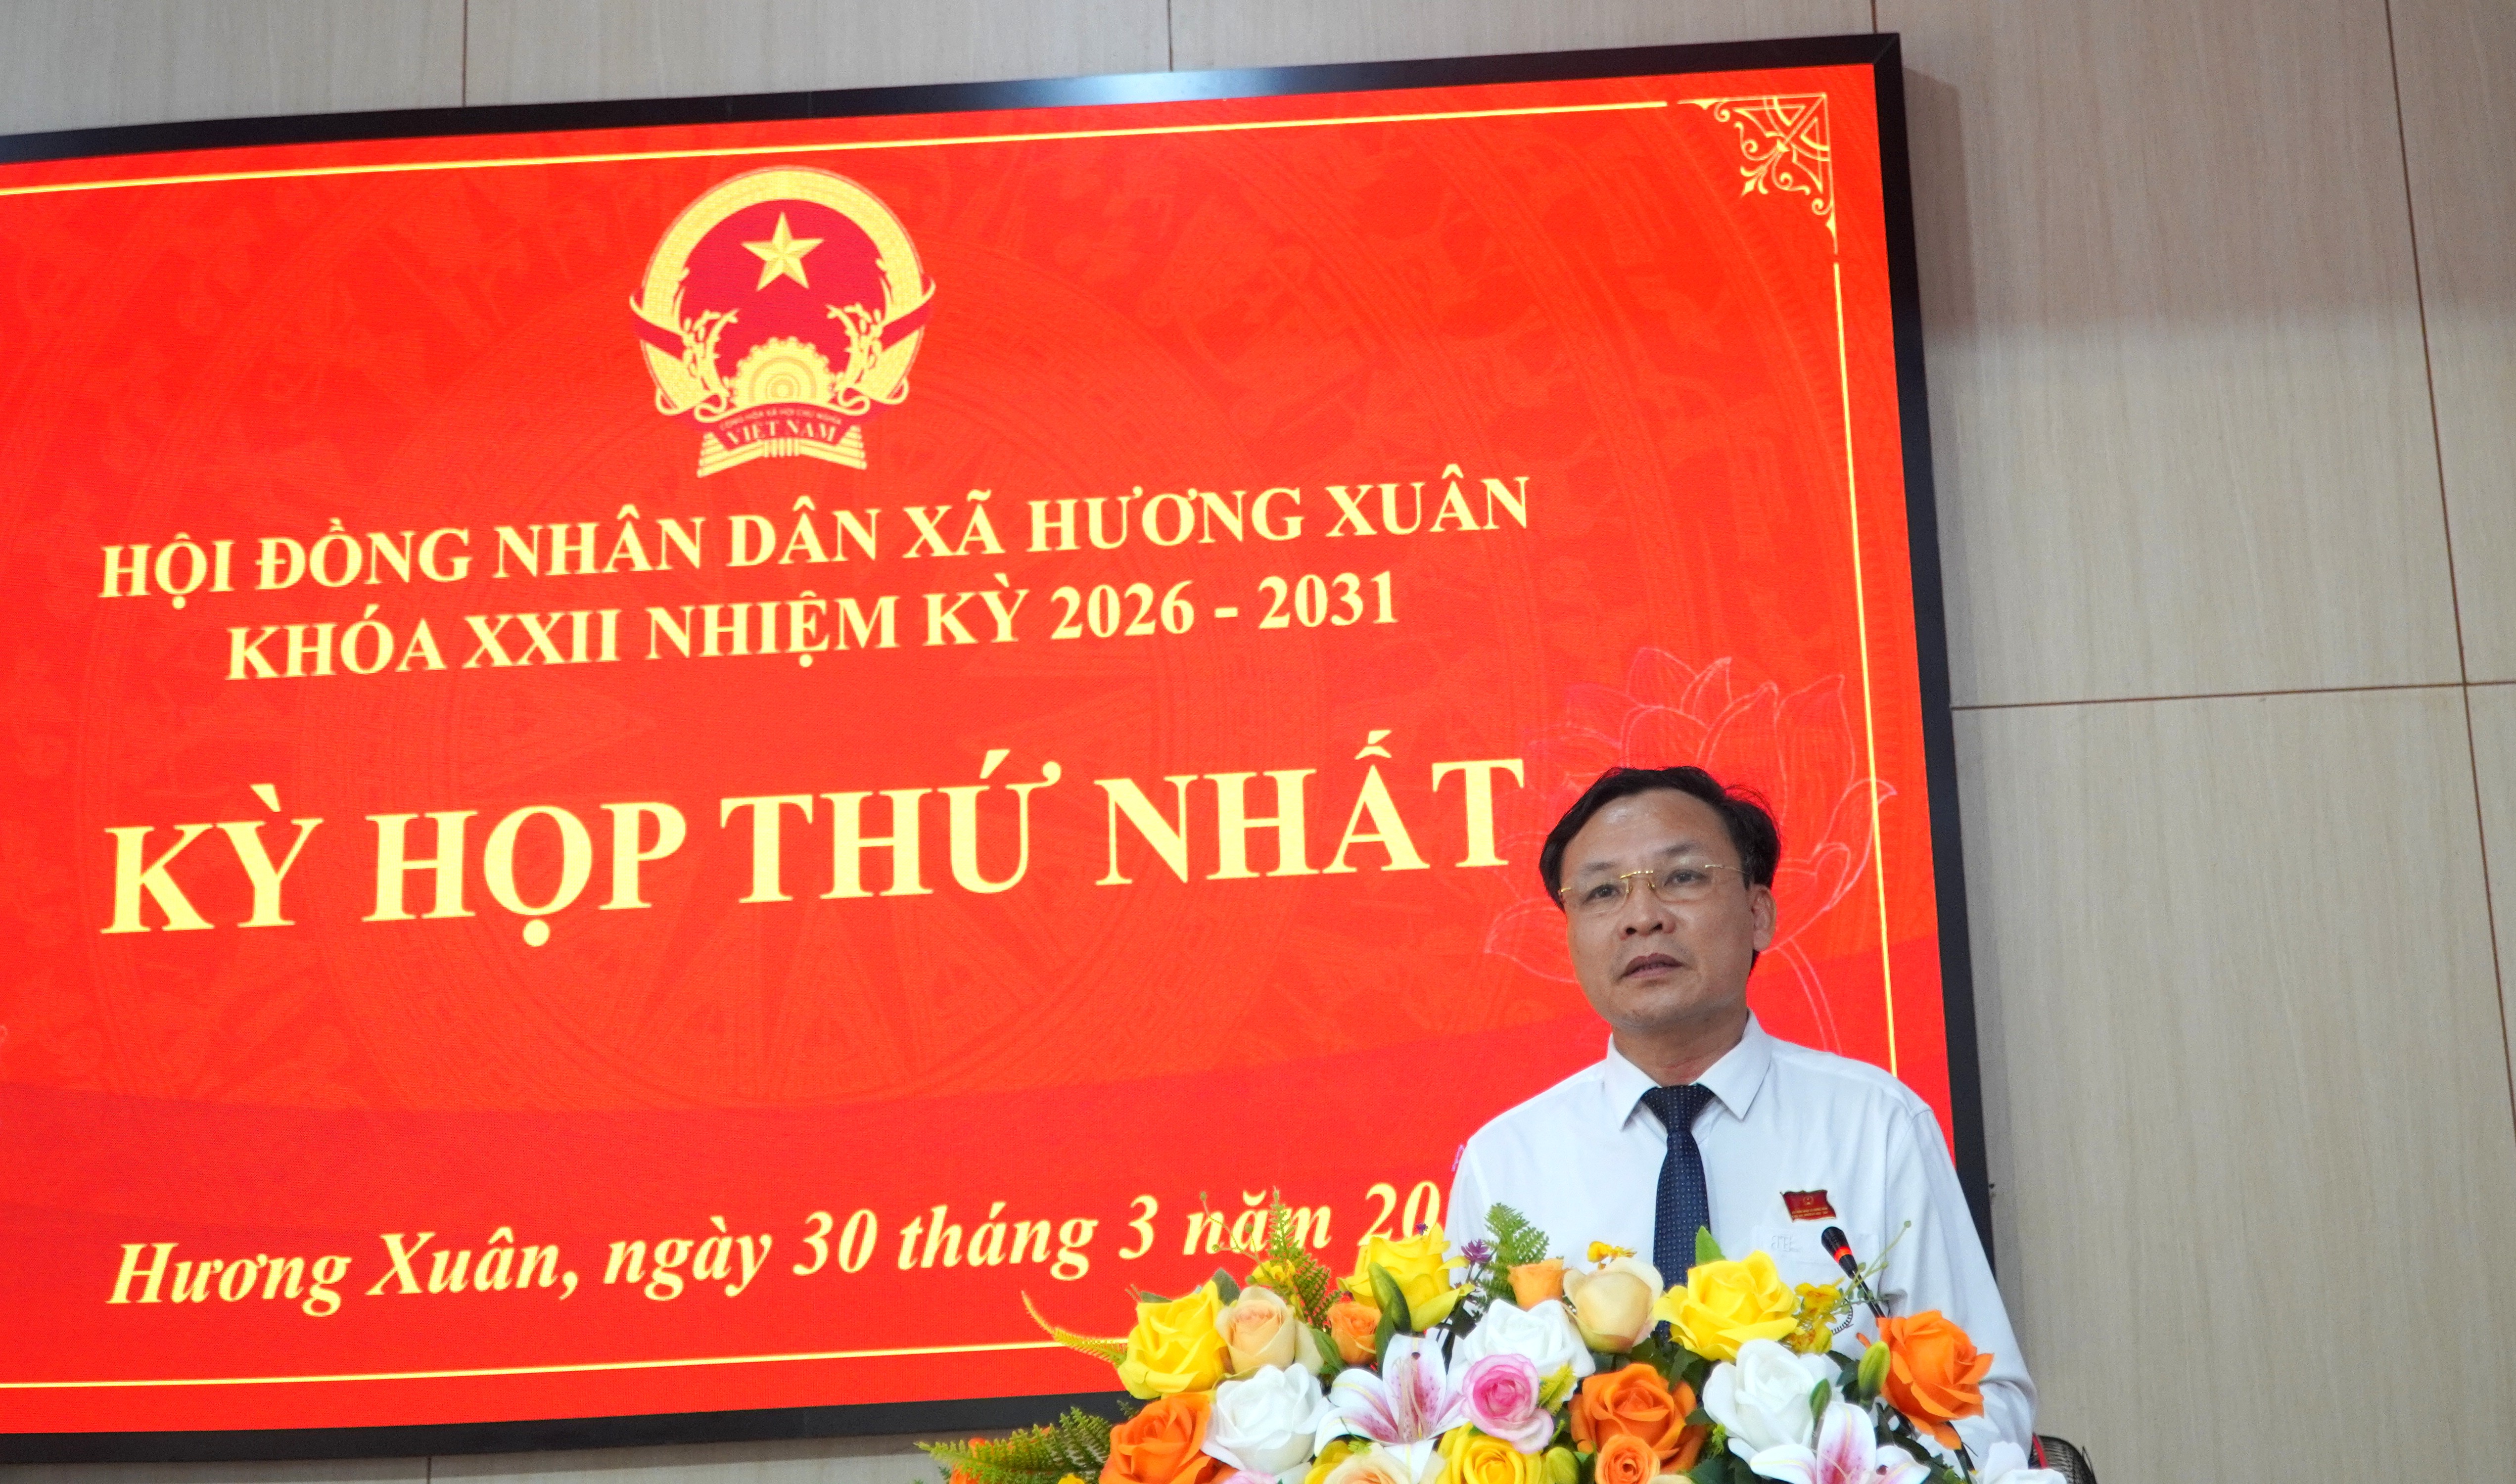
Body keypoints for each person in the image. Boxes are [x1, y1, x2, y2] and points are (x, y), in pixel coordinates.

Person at [1445, 765, 2035, 1455]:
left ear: (1759, 914)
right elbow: (1463, 1424)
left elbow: (1987, 1408)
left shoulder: (1875, 1125)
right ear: (1570, 937)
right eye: (1603, 892)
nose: (1642, 916)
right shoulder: (1505, 1161)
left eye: (1682, 877)